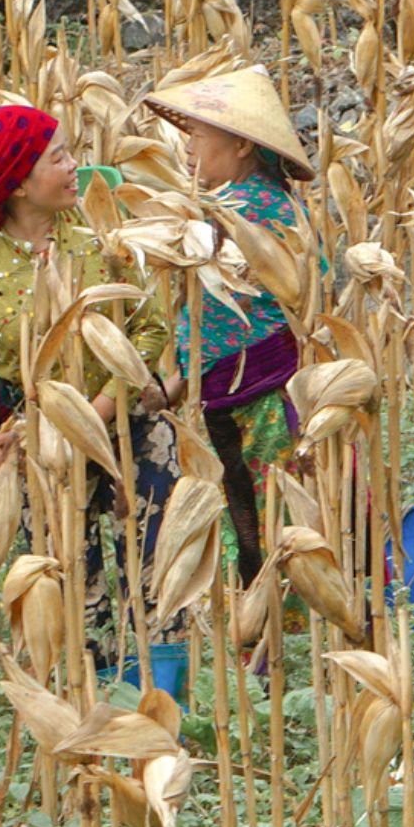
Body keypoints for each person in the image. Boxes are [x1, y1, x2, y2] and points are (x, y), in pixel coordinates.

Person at [0, 102, 164, 460]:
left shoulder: (97, 231)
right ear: (17, 186)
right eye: (59, 158)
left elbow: (151, 327)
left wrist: (97, 413)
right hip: (31, 438)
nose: (75, 165)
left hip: (126, 422)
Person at [141, 67, 312, 582]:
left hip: (263, 399)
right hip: (237, 394)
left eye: (196, 134)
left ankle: (281, 632)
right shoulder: (244, 205)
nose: (187, 148)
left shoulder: (247, 208)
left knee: (267, 514)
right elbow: (211, 322)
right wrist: (176, 384)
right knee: (256, 510)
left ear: (241, 144)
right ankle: (271, 632)